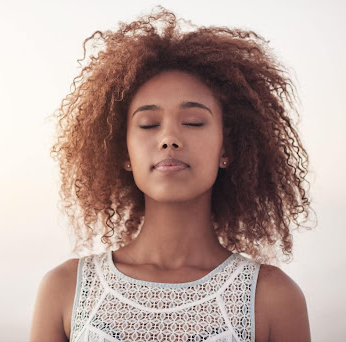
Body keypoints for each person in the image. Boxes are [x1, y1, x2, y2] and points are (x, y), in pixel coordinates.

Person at [31, 6, 313, 342]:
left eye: (193, 122)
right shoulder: (66, 292)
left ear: (227, 148)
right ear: (123, 152)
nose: (169, 139)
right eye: (149, 124)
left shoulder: (271, 299)